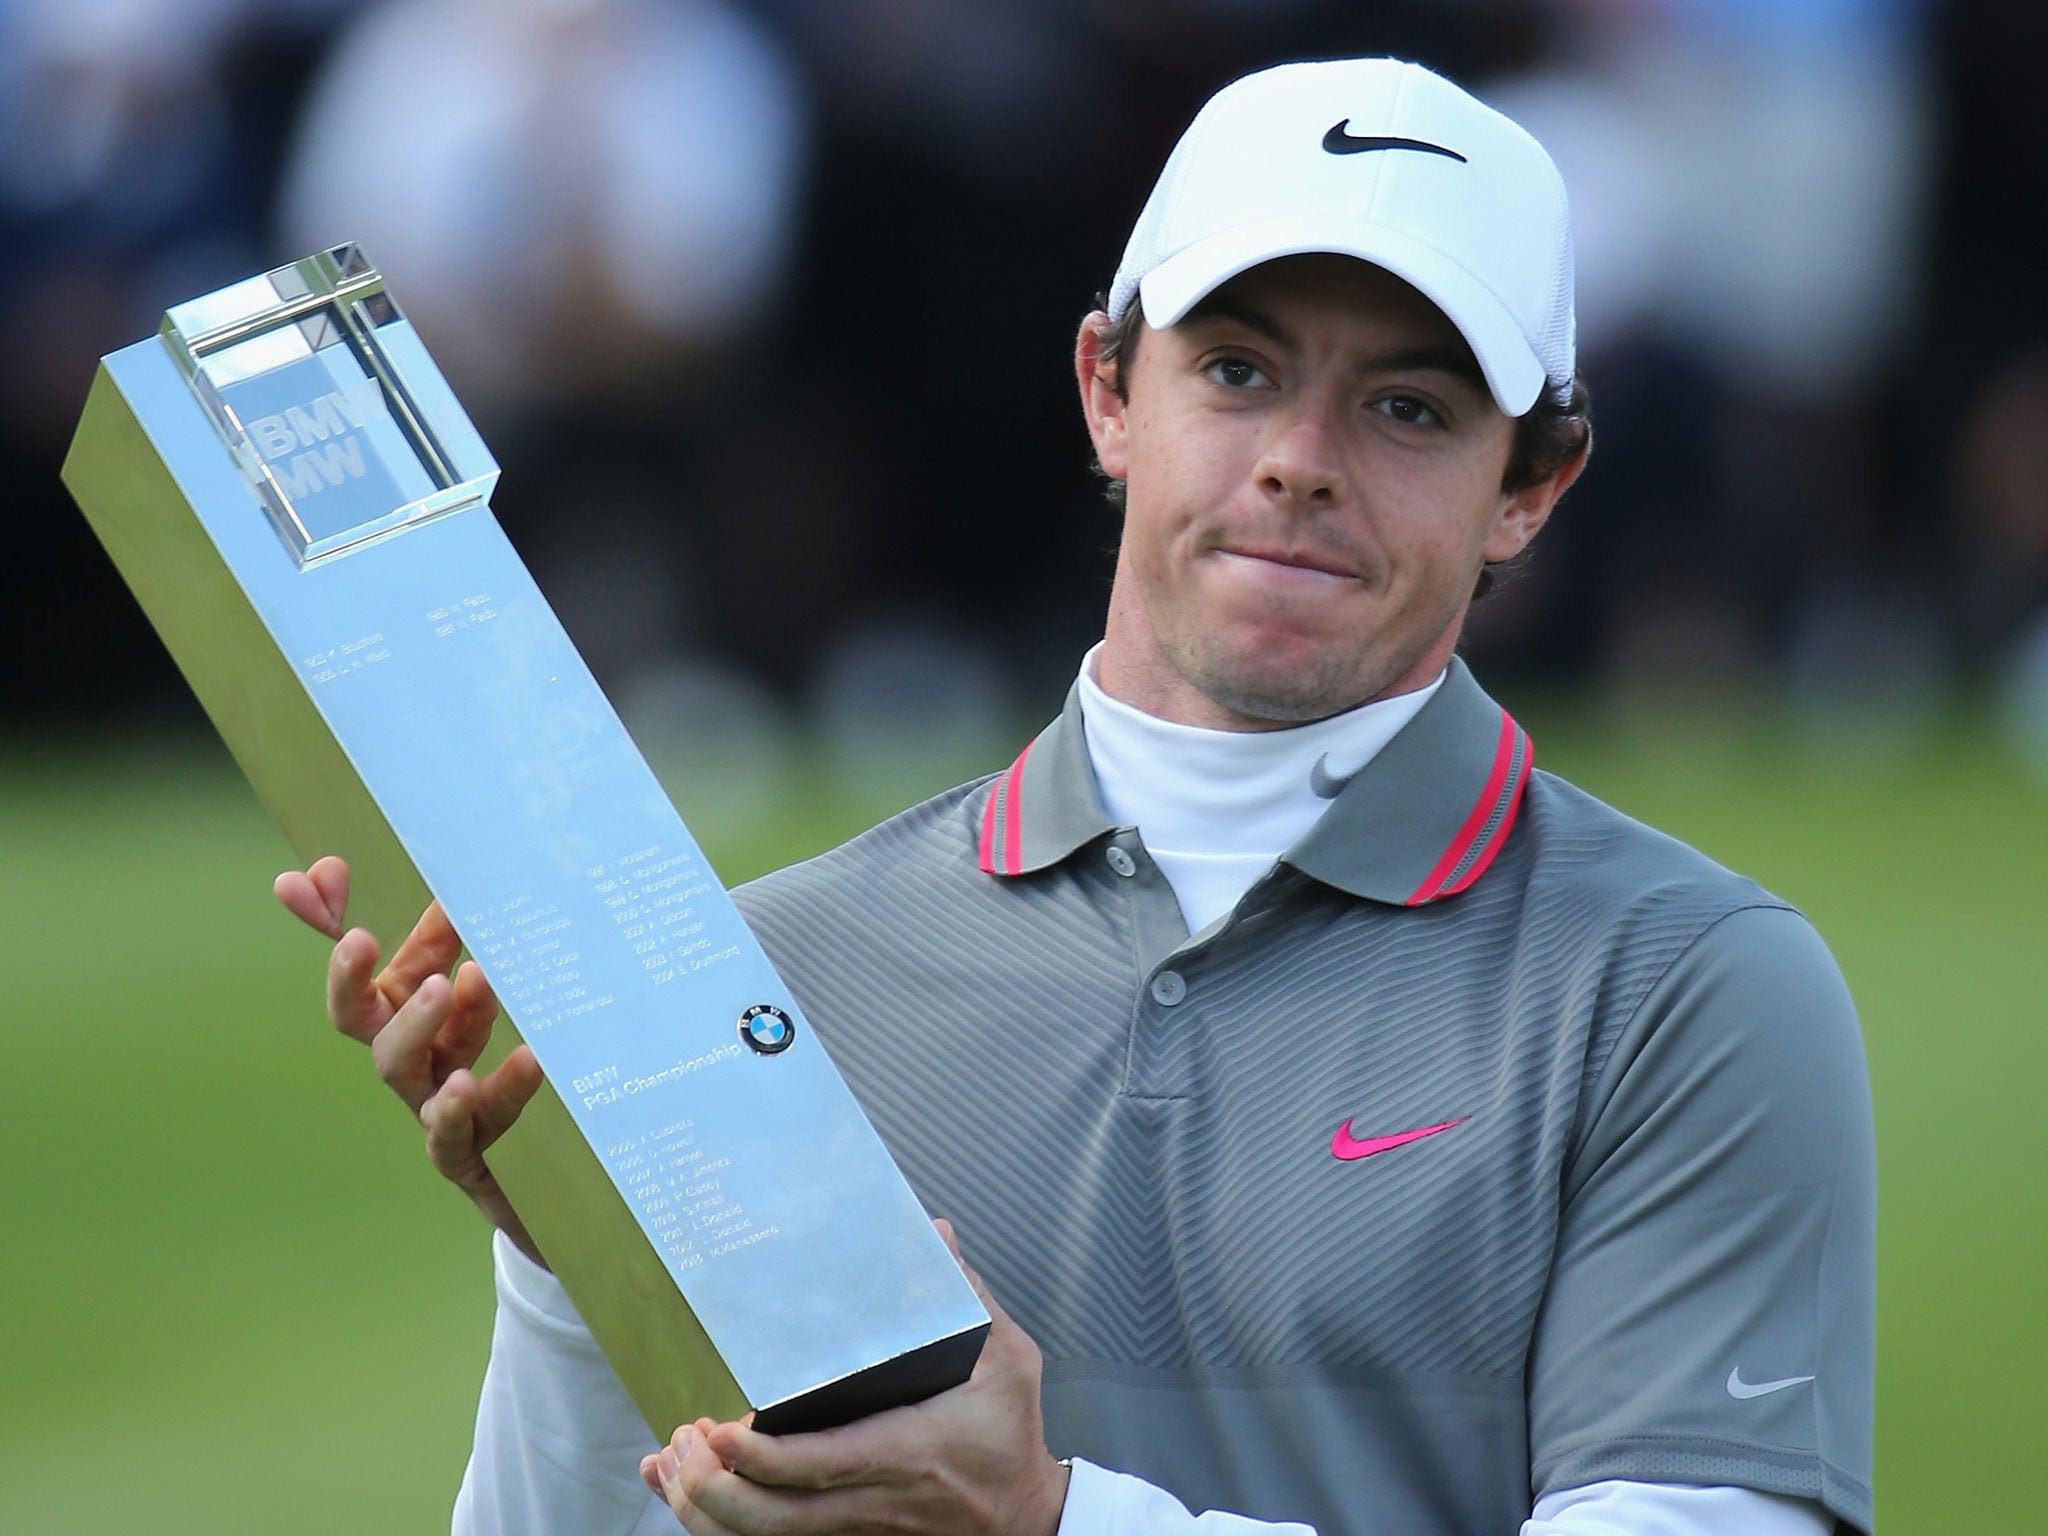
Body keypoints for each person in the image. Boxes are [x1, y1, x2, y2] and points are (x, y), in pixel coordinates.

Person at [277, 58, 1875, 1536]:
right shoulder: (774, 976)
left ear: (1532, 487)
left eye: (1408, 407)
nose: (1302, 459)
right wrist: (575, 1261)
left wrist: (1051, 1521)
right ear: (1111, 391)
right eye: (1238, 370)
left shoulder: (1689, 992)